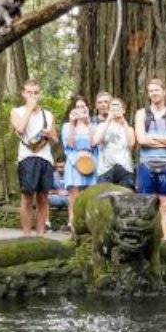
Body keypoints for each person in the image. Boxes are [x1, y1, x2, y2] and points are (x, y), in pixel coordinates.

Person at [135, 78, 166, 240]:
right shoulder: (141, 114)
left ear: (164, 92)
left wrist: (152, 138)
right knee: (146, 206)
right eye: (151, 91)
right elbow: (141, 140)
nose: (154, 93)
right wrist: (165, 140)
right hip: (146, 165)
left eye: (157, 90)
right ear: (148, 94)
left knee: (165, 205)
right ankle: (145, 240)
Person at [9, 79, 57, 238]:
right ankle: (26, 236)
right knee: (27, 196)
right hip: (27, 157)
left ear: (40, 93)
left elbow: (55, 139)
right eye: (29, 92)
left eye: (36, 92)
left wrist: (49, 134)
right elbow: (20, 129)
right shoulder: (17, 111)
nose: (33, 96)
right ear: (23, 93)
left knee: (43, 197)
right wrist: (29, 108)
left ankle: (41, 235)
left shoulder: (48, 115)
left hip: (45, 158)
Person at [60, 95, 97, 232]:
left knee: (90, 194)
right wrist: (71, 123)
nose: (80, 110)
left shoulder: (93, 125)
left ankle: (89, 223)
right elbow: (70, 144)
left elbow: (93, 144)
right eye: (78, 107)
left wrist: (88, 124)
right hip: (73, 161)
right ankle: (72, 223)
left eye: (83, 107)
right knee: (73, 195)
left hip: (90, 162)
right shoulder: (66, 126)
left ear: (88, 108)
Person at [92, 97, 136, 187]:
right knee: (104, 200)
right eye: (112, 108)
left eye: (118, 108)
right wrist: (108, 120)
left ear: (123, 110)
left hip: (125, 169)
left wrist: (124, 122)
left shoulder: (129, 128)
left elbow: (131, 144)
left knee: (125, 199)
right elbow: (96, 141)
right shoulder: (101, 126)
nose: (115, 110)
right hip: (105, 170)